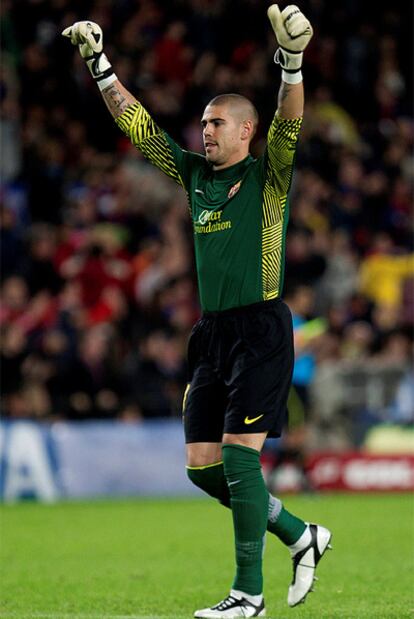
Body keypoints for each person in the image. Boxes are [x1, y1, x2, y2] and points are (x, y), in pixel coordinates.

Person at [63, 5, 332, 617]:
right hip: (211, 336)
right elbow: (140, 128)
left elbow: (291, 123)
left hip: (261, 328)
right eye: (204, 122)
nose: (205, 131)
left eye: (217, 123)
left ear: (245, 131)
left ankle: (248, 596)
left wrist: (290, 64)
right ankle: (299, 534)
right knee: (202, 468)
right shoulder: (192, 177)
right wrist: (101, 67)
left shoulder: (270, 179)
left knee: (240, 458)